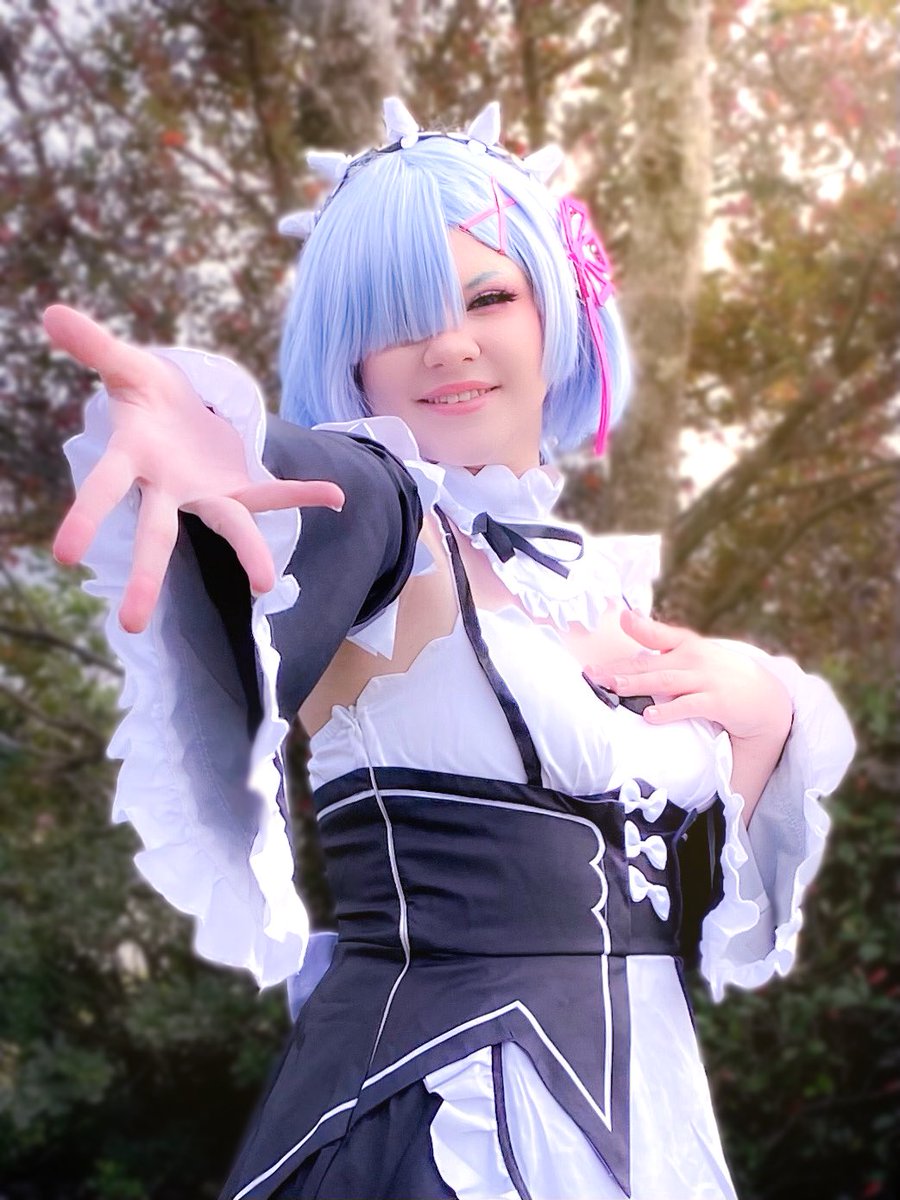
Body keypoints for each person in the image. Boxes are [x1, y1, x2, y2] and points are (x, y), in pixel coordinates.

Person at [48, 98, 854, 1200]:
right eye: (399, 320)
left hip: (648, 1130)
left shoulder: (597, 588)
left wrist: (767, 715)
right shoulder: (388, 522)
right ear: (354, 361)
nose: (451, 344)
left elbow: (699, 905)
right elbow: (319, 486)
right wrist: (206, 443)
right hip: (440, 1121)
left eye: (489, 297)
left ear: (556, 312)